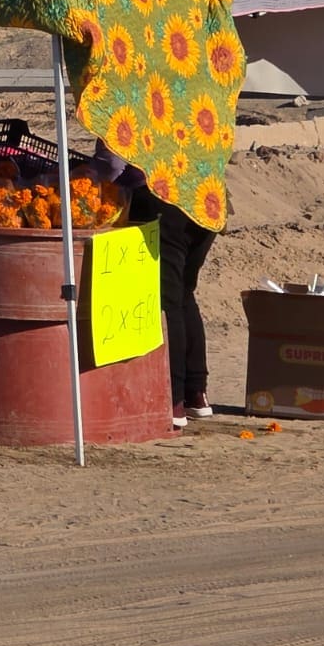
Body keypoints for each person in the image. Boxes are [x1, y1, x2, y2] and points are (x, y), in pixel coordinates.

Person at [94, 141, 216, 430]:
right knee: (185, 292)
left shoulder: (127, 100)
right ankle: (196, 394)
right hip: (207, 197)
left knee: (168, 299)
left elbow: (110, 165)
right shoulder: (185, 99)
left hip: (165, 201)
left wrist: (89, 178)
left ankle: (173, 400)